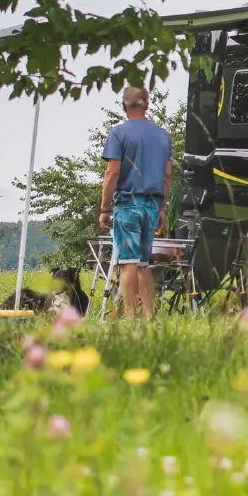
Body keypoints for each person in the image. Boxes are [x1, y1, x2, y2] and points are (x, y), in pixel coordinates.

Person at [99, 85, 174, 321]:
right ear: (147, 104)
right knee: (143, 264)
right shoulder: (163, 136)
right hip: (152, 206)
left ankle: (131, 318)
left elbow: (112, 172)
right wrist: (161, 207)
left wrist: (104, 208)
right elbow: (167, 176)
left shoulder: (119, 134)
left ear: (124, 106)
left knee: (128, 264)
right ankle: (149, 316)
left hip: (128, 205)